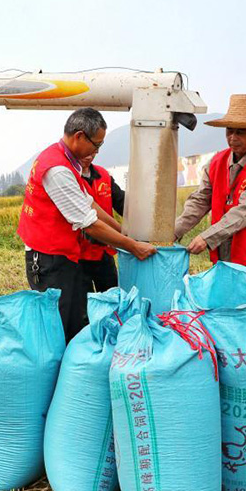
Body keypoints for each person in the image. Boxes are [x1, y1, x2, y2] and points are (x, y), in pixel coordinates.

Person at [17, 108, 156, 342]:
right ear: (79, 136)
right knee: (63, 325)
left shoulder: (68, 161)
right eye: (96, 144)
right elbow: (88, 223)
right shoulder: (57, 169)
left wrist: (124, 231)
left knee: (76, 318)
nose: (97, 151)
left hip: (64, 254)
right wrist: (132, 246)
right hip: (48, 259)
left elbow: (90, 204)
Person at [173, 94, 246, 270]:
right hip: (225, 256)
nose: (233, 137)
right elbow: (200, 200)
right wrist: (175, 231)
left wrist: (207, 237)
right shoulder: (216, 162)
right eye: (229, 131)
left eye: (240, 132)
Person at [79, 152, 126, 292]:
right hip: (77, 256)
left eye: (93, 150)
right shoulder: (69, 177)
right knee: (84, 304)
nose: (88, 155)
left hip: (104, 253)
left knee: (111, 297)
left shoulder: (103, 175)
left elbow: (123, 203)